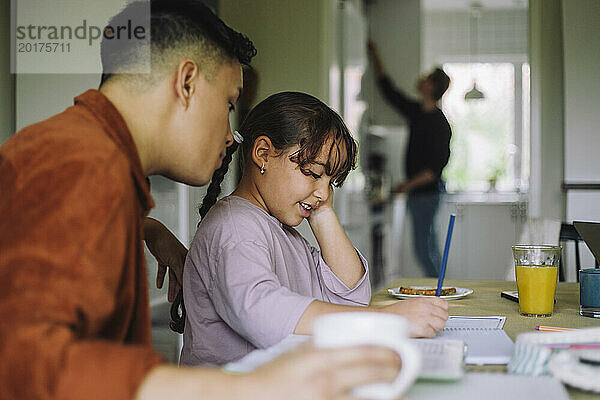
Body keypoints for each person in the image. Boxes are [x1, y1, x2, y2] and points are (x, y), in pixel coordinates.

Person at [0, 2, 405, 399]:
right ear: (187, 82)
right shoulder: (73, 163)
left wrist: (146, 227)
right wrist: (253, 387)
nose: (231, 135)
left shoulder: (91, 162)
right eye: (228, 104)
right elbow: (30, 363)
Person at [179, 91, 450, 366]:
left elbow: (352, 298)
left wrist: (323, 213)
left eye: (331, 182)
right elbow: (265, 315)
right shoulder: (236, 228)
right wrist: (388, 319)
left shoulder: (283, 232)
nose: (322, 192)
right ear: (264, 154)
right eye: (313, 173)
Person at [368, 41, 452, 278]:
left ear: (432, 86)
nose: (421, 78)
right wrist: (376, 56)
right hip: (420, 195)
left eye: (426, 77)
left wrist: (405, 186)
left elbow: (432, 171)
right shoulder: (417, 113)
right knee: (429, 248)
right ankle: (440, 291)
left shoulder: (440, 125)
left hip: (427, 195)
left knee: (423, 250)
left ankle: (439, 295)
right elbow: (389, 92)